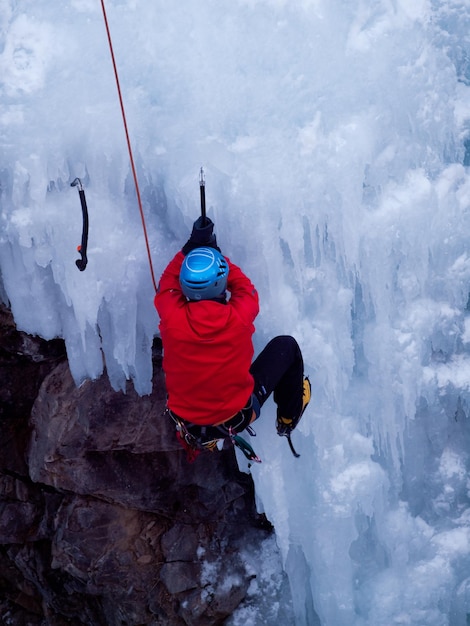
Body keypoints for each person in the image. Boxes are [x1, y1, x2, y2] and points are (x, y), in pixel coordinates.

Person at [154, 216, 311, 461]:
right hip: (235, 417)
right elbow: (245, 288)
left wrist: (191, 247)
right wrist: (216, 254)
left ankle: (202, 437)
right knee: (287, 347)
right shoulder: (238, 316)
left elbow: (167, 284)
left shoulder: (171, 317)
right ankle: (288, 417)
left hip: (185, 419)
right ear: (222, 282)